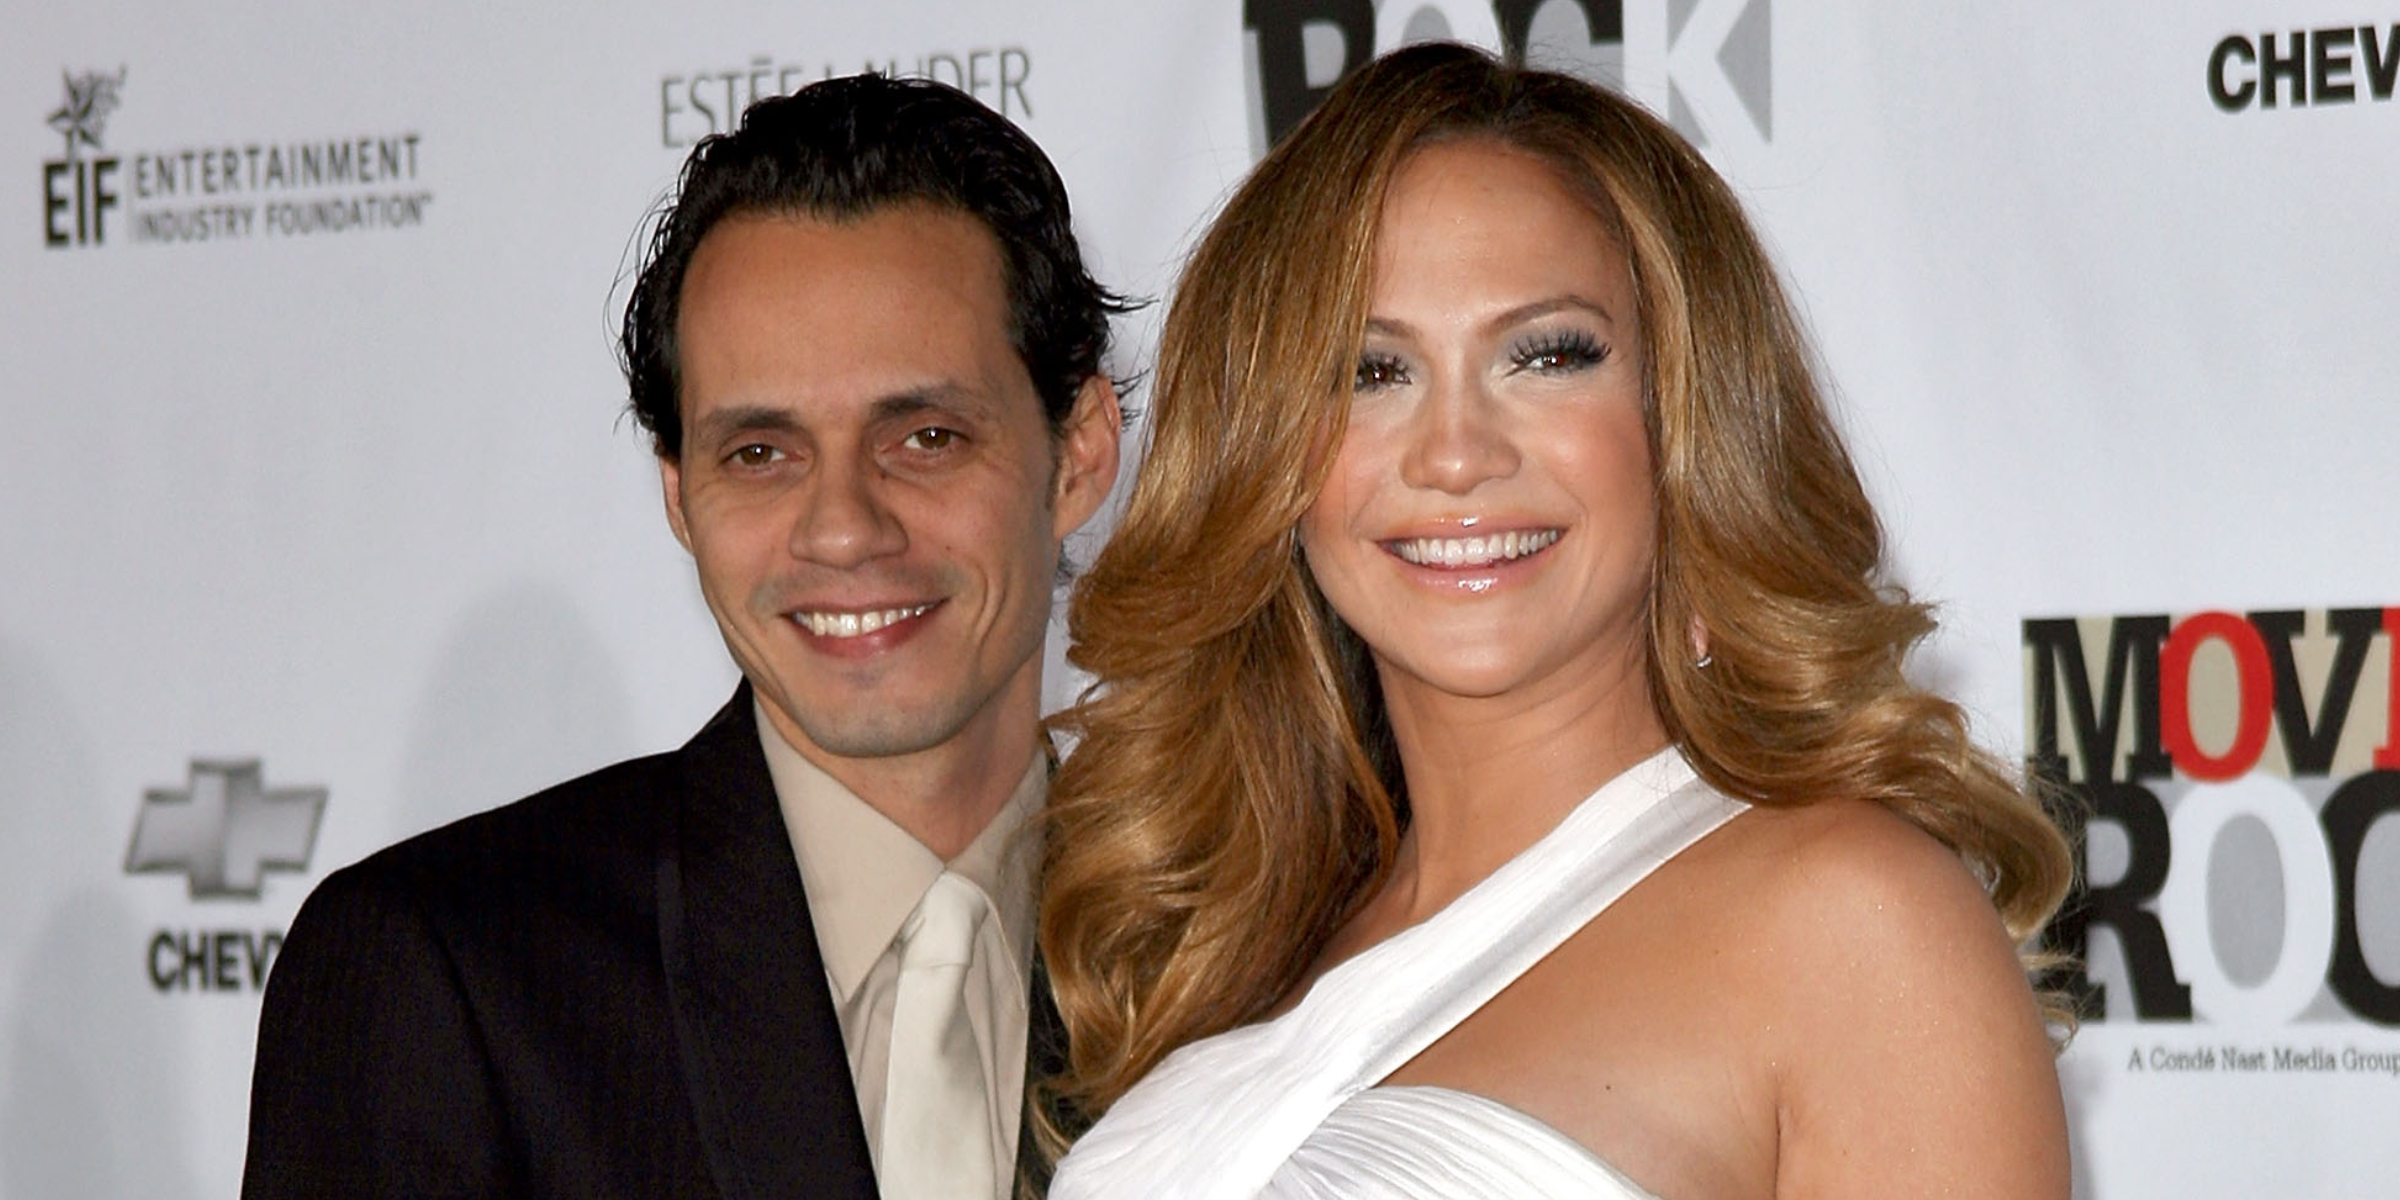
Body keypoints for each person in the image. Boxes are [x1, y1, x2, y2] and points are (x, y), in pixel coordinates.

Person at [1038, 42, 2074, 1199]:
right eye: (1371, 373)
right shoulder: (1230, 946)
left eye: (1545, 356)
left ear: (1682, 417)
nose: (1457, 454)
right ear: (1271, 452)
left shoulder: (1857, 924)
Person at [242, 74, 1123, 1200]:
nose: (845, 528)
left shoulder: (1240, 958)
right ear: (679, 494)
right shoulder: (450, 979)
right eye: (761, 453)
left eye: (928, 436)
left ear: (1080, 451)